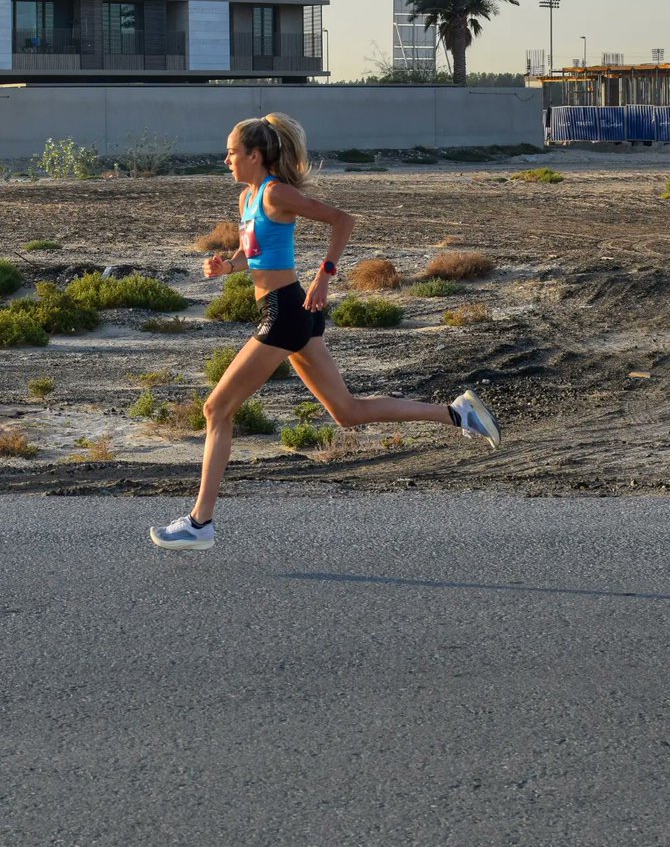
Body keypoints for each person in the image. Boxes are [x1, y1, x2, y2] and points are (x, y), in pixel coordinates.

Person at [149, 113, 501, 551]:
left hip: (286, 314)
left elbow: (343, 220)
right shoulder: (248, 199)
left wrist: (325, 275)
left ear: (254, 155)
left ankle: (200, 523)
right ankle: (456, 414)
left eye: (232, 152)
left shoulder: (277, 193)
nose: (226, 160)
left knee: (216, 410)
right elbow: (254, 254)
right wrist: (227, 265)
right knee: (347, 412)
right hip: (288, 313)